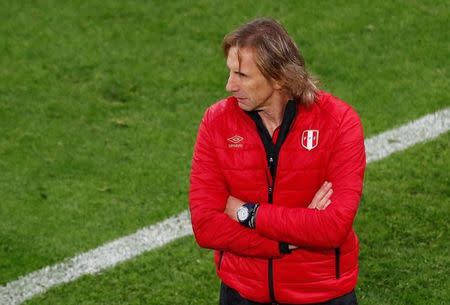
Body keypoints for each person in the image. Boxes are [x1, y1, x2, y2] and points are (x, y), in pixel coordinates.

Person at [189, 18, 366, 305]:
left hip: (321, 295)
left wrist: (247, 213)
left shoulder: (339, 123)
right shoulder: (217, 122)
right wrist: (284, 241)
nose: (229, 85)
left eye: (242, 75)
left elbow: (332, 227)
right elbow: (206, 224)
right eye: (230, 72)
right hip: (241, 294)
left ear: (280, 77)